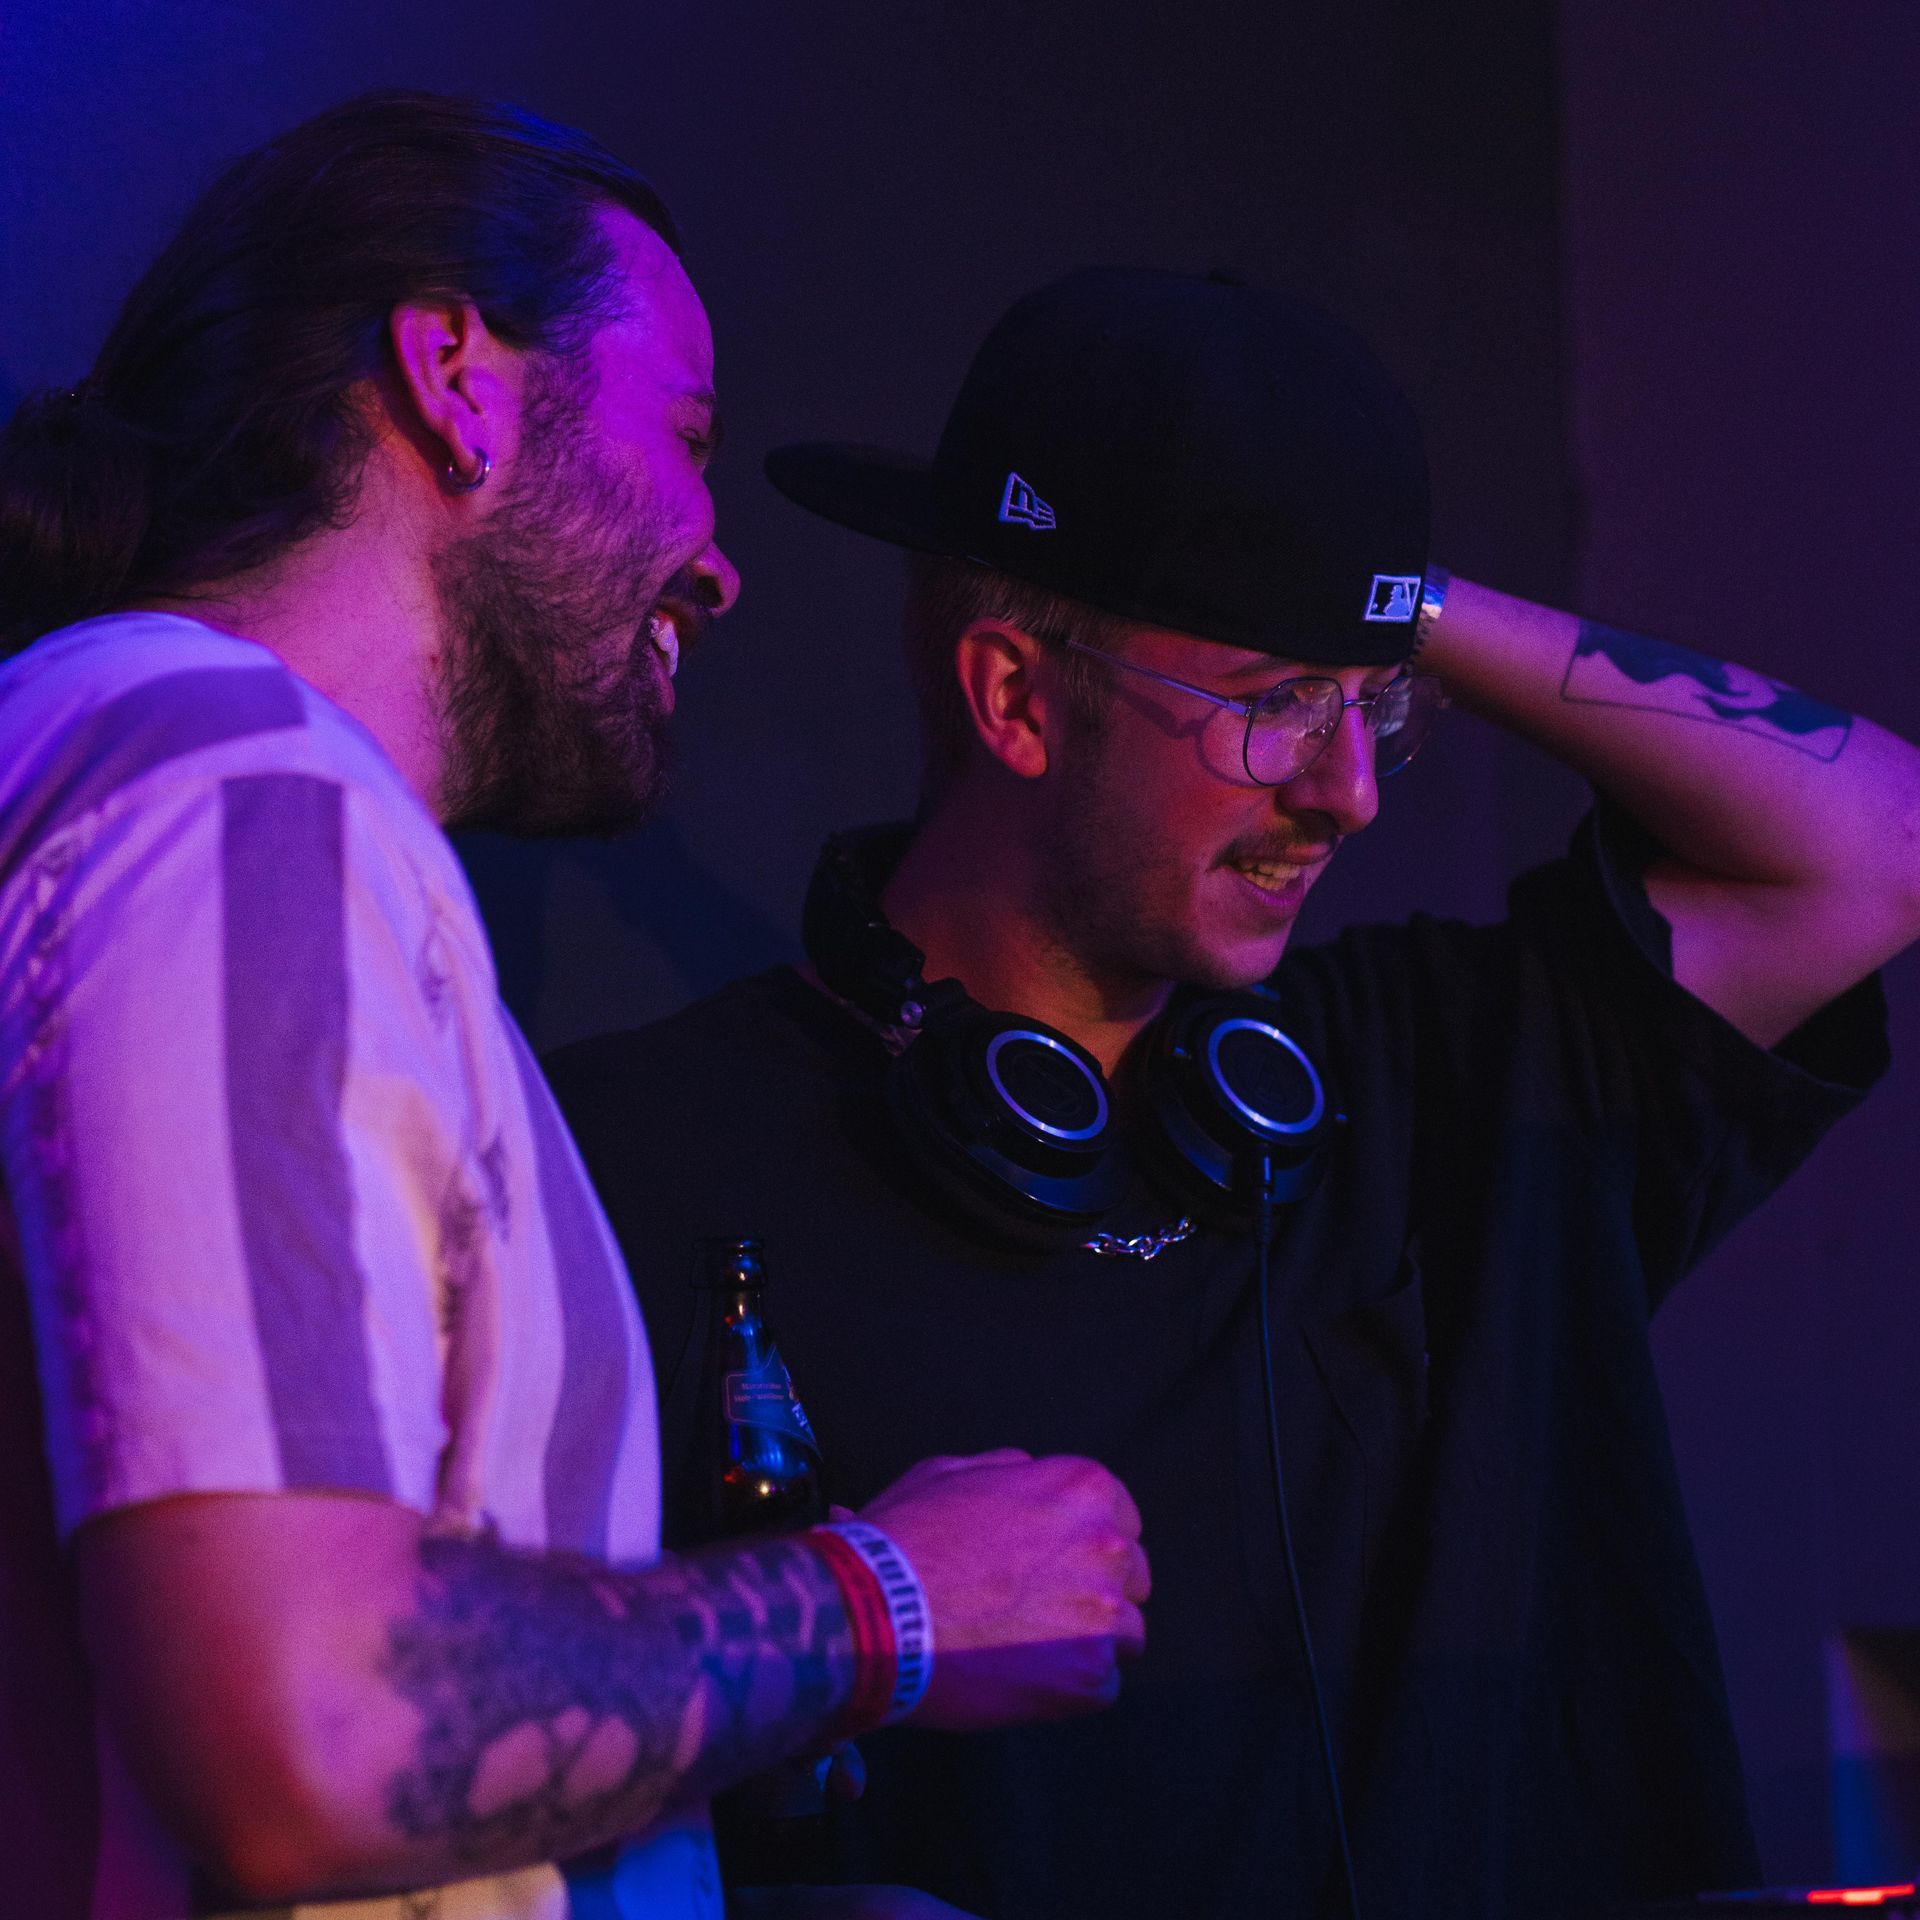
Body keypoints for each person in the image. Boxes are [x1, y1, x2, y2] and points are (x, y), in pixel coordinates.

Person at [544, 267, 1916, 1918]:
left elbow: (1872, 849)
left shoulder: (1446, 1069)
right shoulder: (635, 1159)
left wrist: (1385, 598)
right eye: (1274, 708)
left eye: (1373, 705)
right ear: (1015, 697)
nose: (1348, 793)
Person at [0, 97, 1153, 1920]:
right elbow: (309, 1725)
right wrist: (885, 1604)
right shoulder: (237, 789)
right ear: (457, 381)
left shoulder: (175, 780)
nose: (716, 555)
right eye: (683, 436)